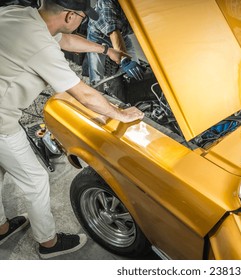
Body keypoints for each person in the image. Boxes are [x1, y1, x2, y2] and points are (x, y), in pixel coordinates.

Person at [0, 0, 144, 259]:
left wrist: (105, 50)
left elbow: (64, 41)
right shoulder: (40, 45)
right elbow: (83, 94)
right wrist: (119, 113)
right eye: (82, 17)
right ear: (70, 16)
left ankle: (1, 227)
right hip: (1, 123)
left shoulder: (17, 14)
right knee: (35, 181)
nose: (83, 22)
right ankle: (49, 243)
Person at [87, 0, 144, 90]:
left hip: (122, 35)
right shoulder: (108, 2)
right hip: (98, 36)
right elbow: (112, 29)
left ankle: (121, 92)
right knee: (97, 73)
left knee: (135, 67)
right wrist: (125, 60)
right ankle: (97, 93)